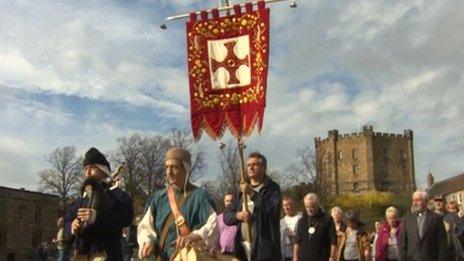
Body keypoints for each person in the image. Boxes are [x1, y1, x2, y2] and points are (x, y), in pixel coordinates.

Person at [137, 147, 219, 261]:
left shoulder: (200, 197)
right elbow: (146, 226)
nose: (169, 172)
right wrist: (147, 241)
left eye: (174, 167)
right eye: (167, 167)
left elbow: (214, 225)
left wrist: (195, 236)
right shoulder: (157, 198)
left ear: (185, 169)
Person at [64, 147, 134, 260]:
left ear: (103, 169)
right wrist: (72, 226)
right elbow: (67, 221)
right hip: (80, 255)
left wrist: (96, 217)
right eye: (85, 168)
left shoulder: (117, 195)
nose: (87, 171)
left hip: (107, 254)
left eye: (92, 167)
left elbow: (126, 218)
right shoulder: (81, 200)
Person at [224, 151, 282, 261]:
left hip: (263, 251)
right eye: (248, 165)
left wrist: (252, 193)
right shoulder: (241, 192)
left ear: (264, 168)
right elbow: (226, 216)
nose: (250, 168)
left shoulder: (272, 188)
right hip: (242, 250)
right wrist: (238, 216)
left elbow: (272, 210)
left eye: (254, 165)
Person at [399, 190, 447, 261]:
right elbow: (403, 244)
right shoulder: (407, 219)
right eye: (413, 200)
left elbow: (442, 244)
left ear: (426, 201)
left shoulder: (436, 218)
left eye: (417, 200)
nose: (414, 203)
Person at [293, 193, 337, 261]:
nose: (309, 209)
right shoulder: (302, 221)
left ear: (317, 205)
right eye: (307, 207)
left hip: (322, 257)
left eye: (312, 206)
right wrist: (295, 257)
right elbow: (297, 241)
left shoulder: (327, 219)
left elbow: (333, 240)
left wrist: (332, 256)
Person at [433, 194, 464, 261]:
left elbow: (461, 231)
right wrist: (444, 231)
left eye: (440, 200)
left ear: (445, 202)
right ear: (434, 203)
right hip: (439, 255)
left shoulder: (453, 216)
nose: (438, 202)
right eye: (436, 200)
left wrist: (452, 231)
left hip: (454, 253)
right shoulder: (430, 219)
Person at [280, 196, 302, 261]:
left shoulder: (301, 218)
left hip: (300, 254)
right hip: (286, 255)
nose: (286, 208)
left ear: (293, 205)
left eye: (288, 205)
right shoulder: (281, 222)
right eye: (284, 205)